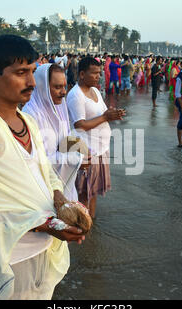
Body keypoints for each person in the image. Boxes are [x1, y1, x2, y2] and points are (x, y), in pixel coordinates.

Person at [0, 35, 85, 300]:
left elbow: (44, 171)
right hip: (9, 254)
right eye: (21, 73)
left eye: (33, 72)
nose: (32, 82)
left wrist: (60, 200)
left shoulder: (27, 121)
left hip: (43, 249)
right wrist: (42, 224)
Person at [67, 57, 126, 219]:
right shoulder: (76, 95)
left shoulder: (95, 91)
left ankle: (90, 221)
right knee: (84, 193)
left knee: (93, 191)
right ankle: (82, 227)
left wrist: (113, 113)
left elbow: (102, 113)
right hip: (86, 150)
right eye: (94, 73)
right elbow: (80, 125)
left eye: (99, 73)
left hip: (100, 149)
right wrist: (106, 117)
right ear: (81, 74)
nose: (98, 76)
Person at [23, 63, 84, 201]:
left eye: (64, 86)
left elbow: (64, 139)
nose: (63, 92)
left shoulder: (60, 108)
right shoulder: (31, 114)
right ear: (42, 87)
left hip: (65, 186)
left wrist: (82, 148)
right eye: (57, 87)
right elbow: (34, 163)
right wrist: (77, 159)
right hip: (43, 193)